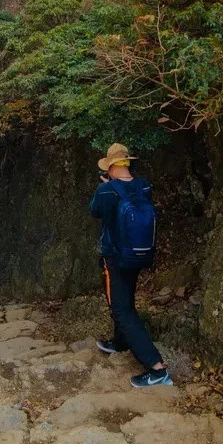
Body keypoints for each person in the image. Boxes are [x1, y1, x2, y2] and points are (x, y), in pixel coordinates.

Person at [89, 142, 172, 388]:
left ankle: (156, 369)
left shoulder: (106, 191)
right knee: (124, 300)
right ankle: (120, 341)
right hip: (140, 254)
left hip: (116, 257)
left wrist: (106, 188)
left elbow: (95, 212)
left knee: (121, 309)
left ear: (111, 167)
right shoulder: (143, 185)